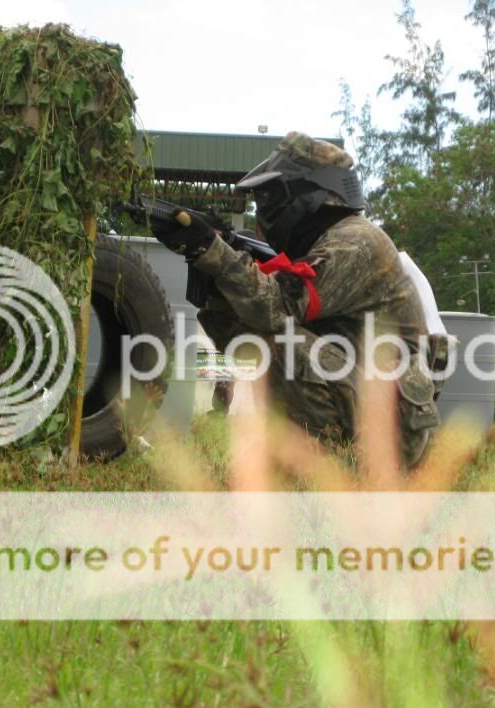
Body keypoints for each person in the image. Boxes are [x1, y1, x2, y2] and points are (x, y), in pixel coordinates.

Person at [149, 131, 442, 467]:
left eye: (271, 201)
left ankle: (327, 464)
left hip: (392, 431)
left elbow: (276, 309)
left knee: (277, 340)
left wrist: (215, 252)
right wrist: (211, 266)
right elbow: (239, 334)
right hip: (373, 406)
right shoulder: (331, 243)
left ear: (309, 196)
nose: (265, 215)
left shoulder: (355, 243)